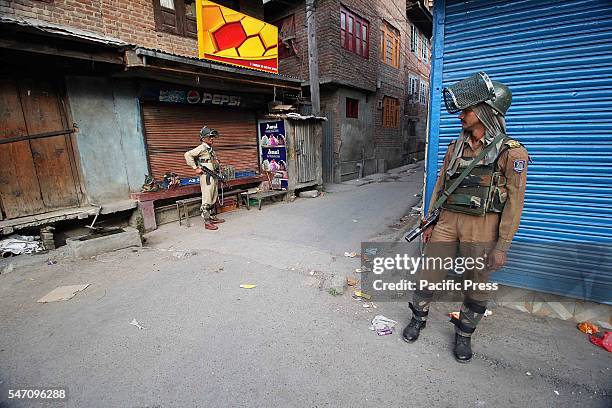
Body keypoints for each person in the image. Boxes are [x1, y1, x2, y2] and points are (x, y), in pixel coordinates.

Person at [402, 73, 529, 363]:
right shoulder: (455, 147)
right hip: (447, 221)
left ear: (485, 112)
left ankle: (464, 335)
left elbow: (514, 202)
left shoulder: (512, 152)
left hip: (483, 226)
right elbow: (440, 186)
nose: (461, 115)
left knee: (477, 282)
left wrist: (502, 246)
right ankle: (418, 319)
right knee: (428, 273)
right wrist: (429, 223)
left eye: (467, 110)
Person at [184, 126, 225, 231]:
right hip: (206, 177)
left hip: (213, 176)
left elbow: (212, 161)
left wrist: (219, 166)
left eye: (212, 137)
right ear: (203, 138)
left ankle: (211, 217)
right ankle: (207, 222)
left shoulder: (210, 149)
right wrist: (195, 168)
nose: (212, 139)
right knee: (207, 198)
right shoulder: (202, 148)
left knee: (213, 196)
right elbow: (187, 155)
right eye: (209, 137)